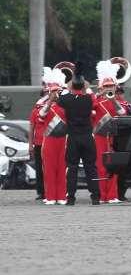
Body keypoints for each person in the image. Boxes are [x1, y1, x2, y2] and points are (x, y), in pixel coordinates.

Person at [57, 64, 101, 205]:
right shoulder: (89, 98)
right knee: (91, 167)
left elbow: (60, 97)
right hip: (87, 137)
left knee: (72, 168)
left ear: (72, 87)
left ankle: (71, 198)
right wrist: (85, 85)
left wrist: (71, 83)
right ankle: (95, 196)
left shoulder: (66, 100)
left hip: (73, 138)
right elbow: (94, 99)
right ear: (82, 87)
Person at [93, 60, 128, 203]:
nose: (109, 88)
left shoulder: (116, 102)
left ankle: (112, 195)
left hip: (113, 137)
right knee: (100, 166)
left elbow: (123, 113)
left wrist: (113, 100)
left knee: (114, 166)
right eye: (106, 86)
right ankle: (102, 195)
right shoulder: (95, 101)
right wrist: (99, 94)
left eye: (111, 86)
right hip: (99, 137)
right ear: (102, 87)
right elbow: (90, 110)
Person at [38, 68, 68, 205]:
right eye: (53, 91)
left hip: (63, 140)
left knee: (62, 168)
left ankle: (61, 196)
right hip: (49, 140)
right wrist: (50, 101)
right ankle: (50, 196)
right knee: (49, 169)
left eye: (57, 91)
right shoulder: (44, 105)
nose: (55, 93)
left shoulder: (65, 106)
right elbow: (41, 115)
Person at [28, 85, 48, 201]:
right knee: (40, 169)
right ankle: (41, 191)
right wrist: (30, 145)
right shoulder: (36, 110)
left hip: (53, 142)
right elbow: (31, 128)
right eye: (46, 93)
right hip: (39, 143)